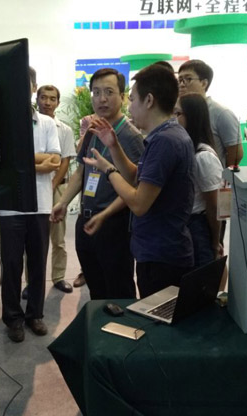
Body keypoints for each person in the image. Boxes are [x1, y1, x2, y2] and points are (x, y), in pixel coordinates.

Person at [83, 64, 195, 298]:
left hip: (162, 255)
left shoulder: (165, 141)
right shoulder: (164, 135)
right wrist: (114, 147)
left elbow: (138, 203)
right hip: (157, 250)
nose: (129, 106)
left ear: (149, 100)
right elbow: (136, 176)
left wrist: (108, 170)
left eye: (132, 99)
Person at [50, 68, 144, 300]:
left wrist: (105, 215)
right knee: (96, 288)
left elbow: (135, 187)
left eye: (109, 92)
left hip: (114, 224)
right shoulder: (93, 131)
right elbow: (81, 171)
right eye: (96, 92)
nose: (102, 99)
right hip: (86, 220)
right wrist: (63, 202)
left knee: (119, 290)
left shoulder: (131, 136)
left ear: (122, 97)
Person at [0, 67, 61, 343]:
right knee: (11, 264)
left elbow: (55, 161)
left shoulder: (46, 123)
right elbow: (2, 162)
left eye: (25, 84)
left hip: (41, 204)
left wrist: (21, 161)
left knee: (38, 263)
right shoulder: (2, 122)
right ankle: (12, 318)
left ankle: (35, 314)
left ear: (33, 88)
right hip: (10, 205)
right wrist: (37, 161)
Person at [35, 84, 76, 293]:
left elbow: (65, 161)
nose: (47, 102)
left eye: (52, 99)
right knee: (34, 239)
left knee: (58, 239)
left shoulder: (65, 130)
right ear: (37, 100)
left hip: (57, 188)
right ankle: (33, 281)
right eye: (43, 97)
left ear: (58, 103)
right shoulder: (30, 127)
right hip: (35, 187)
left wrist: (52, 185)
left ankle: (58, 277)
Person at [175, 93, 223, 268]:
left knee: (201, 274)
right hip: (184, 223)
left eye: (178, 114)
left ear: (192, 117)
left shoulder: (203, 157)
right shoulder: (186, 149)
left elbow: (213, 205)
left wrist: (215, 241)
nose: (173, 119)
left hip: (198, 226)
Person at [177, 59, 243, 167]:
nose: (182, 85)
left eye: (188, 79)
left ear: (204, 83)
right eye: (180, 80)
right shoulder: (179, 112)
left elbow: (236, 154)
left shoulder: (222, 113)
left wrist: (220, 173)